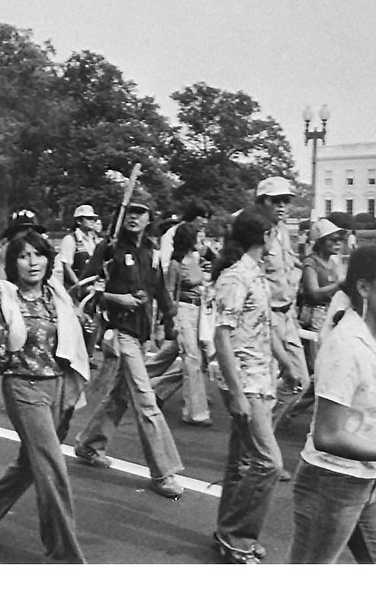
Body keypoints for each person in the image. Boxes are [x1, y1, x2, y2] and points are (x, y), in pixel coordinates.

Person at [288, 244, 376, 563]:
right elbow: (328, 435)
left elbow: (365, 410)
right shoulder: (346, 345)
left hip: (365, 479)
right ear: (363, 287)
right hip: (331, 482)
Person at [0, 230, 90, 563]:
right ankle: (65, 556)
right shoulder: (4, 301)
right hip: (23, 388)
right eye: (24, 256)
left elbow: (69, 340)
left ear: (48, 259)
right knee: (52, 469)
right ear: (13, 263)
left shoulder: (56, 296)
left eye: (38, 255)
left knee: (29, 463)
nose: (32, 262)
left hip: (57, 386)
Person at [72, 192, 185, 500]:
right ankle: (163, 472)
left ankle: (88, 443)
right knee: (146, 401)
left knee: (121, 395)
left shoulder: (151, 250)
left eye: (141, 212)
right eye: (131, 211)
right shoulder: (109, 248)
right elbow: (84, 288)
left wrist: (170, 320)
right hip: (119, 331)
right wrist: (114, 297)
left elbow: (159, 289)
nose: (134, 217)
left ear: (149, 218)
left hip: (141, 332)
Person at [209, 206, 282, 563]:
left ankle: (227, 533)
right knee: (268, 463)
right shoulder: (236, 277)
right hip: (245, 380)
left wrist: (285, 364)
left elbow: (262, 327)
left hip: (259, 377)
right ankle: (237, 534)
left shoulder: (255, 275)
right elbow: (221, 335)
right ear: (266, 236)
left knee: (242, 463)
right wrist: (237, 392)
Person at [254, 177, 309, 478]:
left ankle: (260, 441)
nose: (283, 206)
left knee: (300, 381)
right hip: (267, 317)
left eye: (286, 201)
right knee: (269, 388)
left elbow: (290, 266)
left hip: (287, 316)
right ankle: (262, 453)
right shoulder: (255, 234)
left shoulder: (283, 232)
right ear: (262, 202)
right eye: (276, 201)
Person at [285, 218, 348, 425]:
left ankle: (294, 409)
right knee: (318, 370)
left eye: (340, 240)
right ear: (321, 242)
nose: (337, 243)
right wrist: (338, 286)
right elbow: (313, 292)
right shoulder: (310, 263)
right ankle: (290, 408)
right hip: (314, 317)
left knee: (325, 369)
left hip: (331, 316)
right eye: (333, 240)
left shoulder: (334, 263)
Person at [150, 222, 212, 426]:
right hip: (182, 312)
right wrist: (169, 320)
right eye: (198, 237)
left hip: (198, 312)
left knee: (182, 357)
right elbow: (168, 293)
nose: (202, 240)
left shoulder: (195, 259)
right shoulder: (176, 264)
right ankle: (196, 412)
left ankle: (151, 387)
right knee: (192, 360)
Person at [57, 204, 101, 288]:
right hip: (74, 288)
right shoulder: (70, 240)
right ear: (79, 221)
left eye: (93, 218)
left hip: (92, 286)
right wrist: (78, 285)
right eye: (88, 218)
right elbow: (67, 267)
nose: (92, 221)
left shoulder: (95, 240)